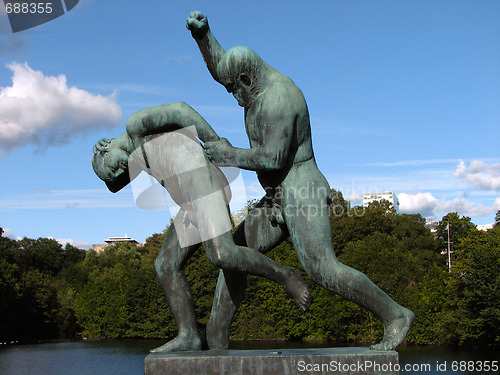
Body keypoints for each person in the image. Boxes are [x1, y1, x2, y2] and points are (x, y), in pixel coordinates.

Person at [187, 11, 414, 351]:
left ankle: (395, 315)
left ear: (247, 79)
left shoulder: (280, 98)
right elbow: (220, 65)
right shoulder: (247, 80)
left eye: (235, 88)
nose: (233, 95)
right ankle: (215, 339)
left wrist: (229, 154)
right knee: (234, 254)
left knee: (323, 270)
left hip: (301, 188)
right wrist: (203, 36)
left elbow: (272, 158)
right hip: (277, 194)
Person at [92, 102, 312, 353]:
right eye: (112, 173)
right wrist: (98, 150)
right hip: (189, 203)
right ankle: (188, 336)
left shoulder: (135, 127)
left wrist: (217, 145)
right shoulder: (130, 157)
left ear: (108, 149)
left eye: (112, 166)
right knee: (165, 264)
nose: (118, 171)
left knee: (222, 254)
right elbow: (114, 184)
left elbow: (180, 111)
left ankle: (285, 275)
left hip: (202, 184)